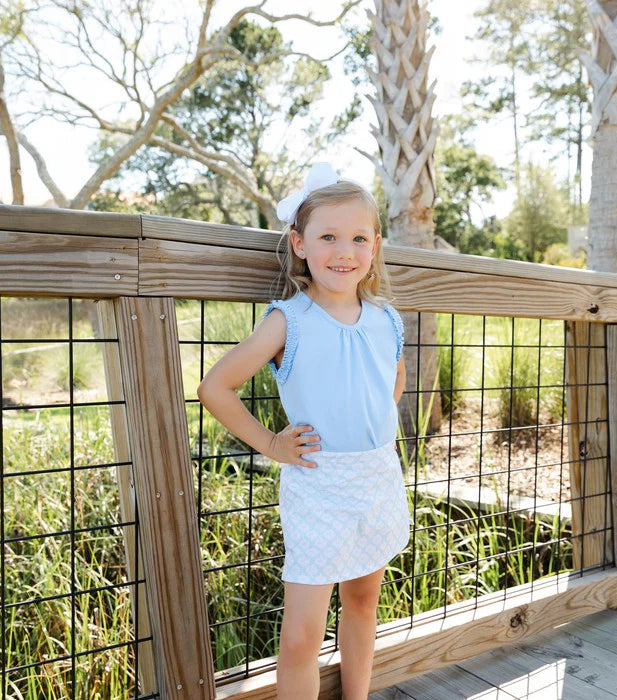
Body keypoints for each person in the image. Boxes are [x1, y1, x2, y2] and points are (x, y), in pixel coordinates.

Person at [197, 161, 412, 700]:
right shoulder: (289, 320)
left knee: (363, 602)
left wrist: (371, 427)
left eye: (358, 238)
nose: (344, 251)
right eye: (328, 237)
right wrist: (272, 444)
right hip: (319, 486)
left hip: (377, 478)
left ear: (375, 246)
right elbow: (215, 387)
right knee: (301, 634)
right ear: (299, 243)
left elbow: (395, 376)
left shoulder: (386, 319)